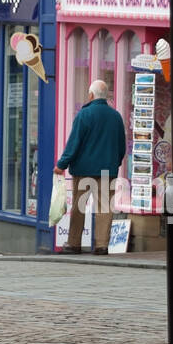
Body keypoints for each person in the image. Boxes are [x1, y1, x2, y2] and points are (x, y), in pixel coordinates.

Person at [55, 79, 126, 256]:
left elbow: (74, 144)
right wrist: (114, 163)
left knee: (79, 207)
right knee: (104, 208)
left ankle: (73, 243)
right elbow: (122, 146)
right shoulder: (116, 116)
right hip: (107, 171)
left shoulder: (84, 115)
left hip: (83, 169)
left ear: (91, 95)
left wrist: (61, 165)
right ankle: (102, 245)